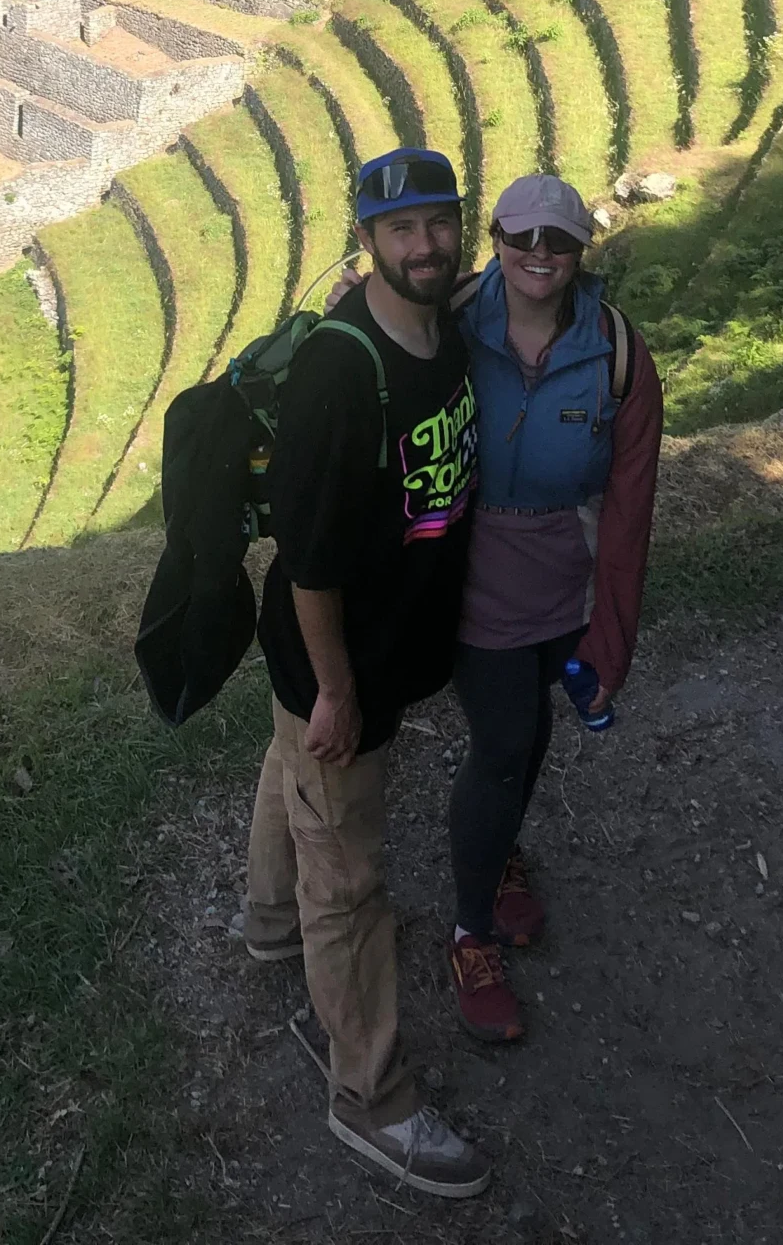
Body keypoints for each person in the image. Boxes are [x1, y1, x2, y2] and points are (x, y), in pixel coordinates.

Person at [240, 146, 490, 1199]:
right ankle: (370, 1097)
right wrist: (338, 686)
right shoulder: (342, 372)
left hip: (378, 654)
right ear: (368, 242)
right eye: (402, 230)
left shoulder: (442, 329)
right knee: (349, 875)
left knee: (293, 768)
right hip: (338, 662)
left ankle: (265, 926)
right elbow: (310, 557)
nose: (424, 244)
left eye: (439, 222)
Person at [444, 172, 663, 1044]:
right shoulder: (453, 321)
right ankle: (470, 930)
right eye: (522, 236)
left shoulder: (616, 352)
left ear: (581, 251)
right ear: (495, 237)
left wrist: (612, 633)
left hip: (562, 577)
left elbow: (630, 503)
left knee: (528, 735)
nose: (540, 254)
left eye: (559, 241)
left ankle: (496, 862)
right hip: (467, 574)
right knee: (503, 741)